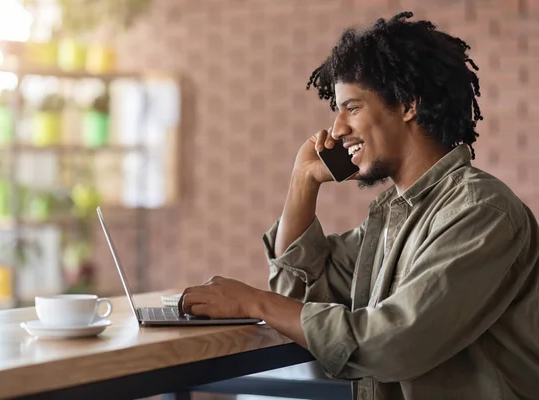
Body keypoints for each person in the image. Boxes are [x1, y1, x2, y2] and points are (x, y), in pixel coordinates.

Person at [178, 11, 539, 400]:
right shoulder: (394, 217)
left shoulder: (481, 213)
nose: (336, 129)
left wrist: (252, 301)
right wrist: (303, 181)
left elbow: (392, 343)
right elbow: (300, 290)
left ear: (407, 105)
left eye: (352, 108)